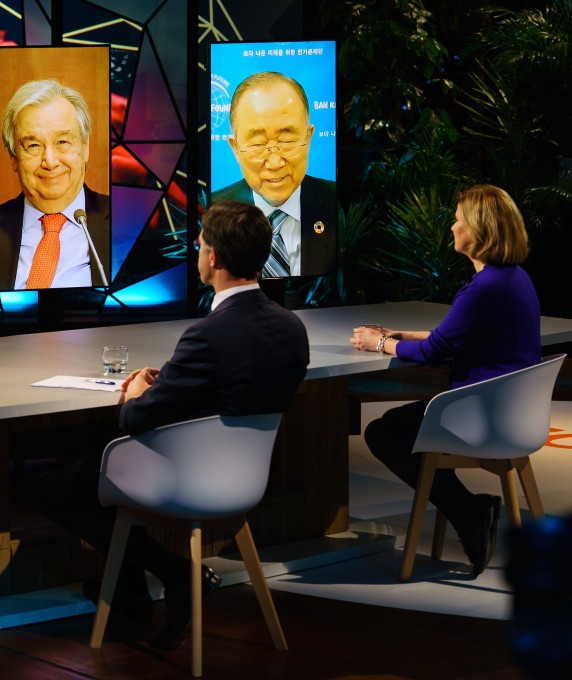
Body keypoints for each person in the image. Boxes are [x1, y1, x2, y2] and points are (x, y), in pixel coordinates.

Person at [33, 200, 309, 648]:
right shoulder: (291, 327)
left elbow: (136, 418)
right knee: (96, 462)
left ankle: (175, 572)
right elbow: (233, 391)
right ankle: (130, 591)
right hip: (247, 477)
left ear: (213, 258)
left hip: (185, 478)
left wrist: (139, 392)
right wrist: (175, 384)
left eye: (200, 244)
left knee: (50, 485)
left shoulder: (207, 334)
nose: (197, 249)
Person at [349, 184, 541, 577]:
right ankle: (471, 511)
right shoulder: (514, 278)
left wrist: (380, 342)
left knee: (384, 434)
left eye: (458, 219)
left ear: (479, 231)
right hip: (514, 414)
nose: (452, 226)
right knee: (404, 430)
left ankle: (469, 512)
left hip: (480, 416)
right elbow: (452, 336)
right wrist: (400, 335)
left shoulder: (484, 288)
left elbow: (434, 353)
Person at [0, 78, 110, 291]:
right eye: (33, 145)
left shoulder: (127, 223)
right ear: (14, 158)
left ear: (85, 148)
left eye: (63, 142)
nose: (50, 161)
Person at [211, 71, 336, 277]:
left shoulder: (341, 206)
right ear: (235, 148)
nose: (275, 162)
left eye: (287, 141)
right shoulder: (210, 214)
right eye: (258, 144)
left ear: (309, 137)